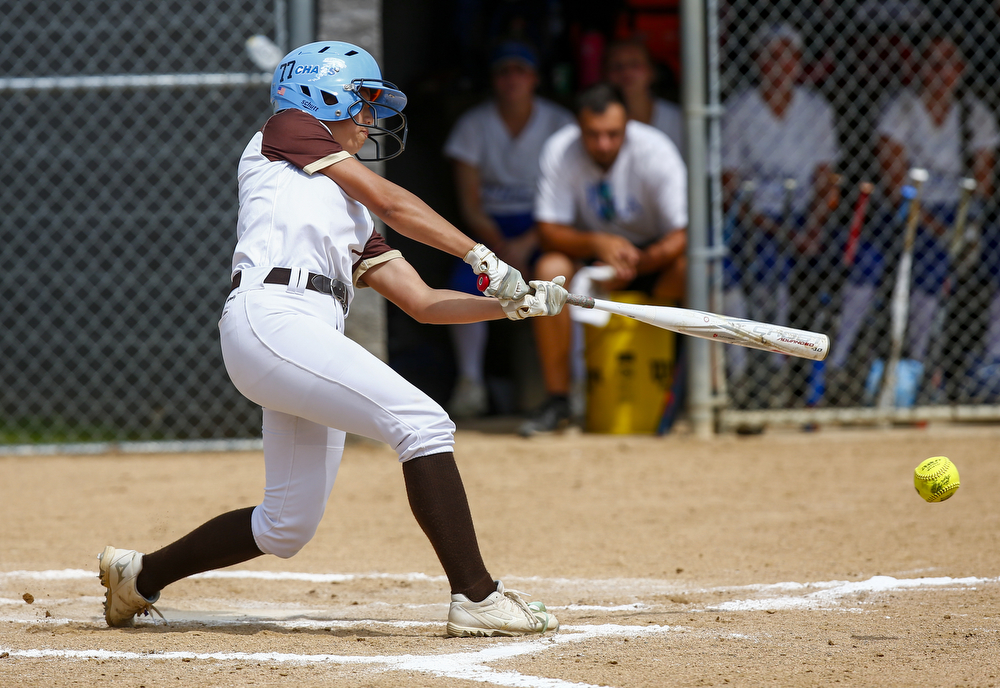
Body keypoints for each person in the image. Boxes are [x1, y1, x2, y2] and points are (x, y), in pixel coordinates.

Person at [97, 41, 567, 638]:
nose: (370, 119)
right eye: (363, 102)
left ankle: (138, 576)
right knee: (422, 422)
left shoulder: (345, 206)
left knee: (285, 526)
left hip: (306, 333)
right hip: (272, 316)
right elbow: (393, 201)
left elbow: (421, 303)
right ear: (322, 95)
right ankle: (477, 596)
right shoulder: (288, 128)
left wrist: (510, 305)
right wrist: (481, 255)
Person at [830, 32, 998, 399]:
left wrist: (964, 230)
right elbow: (896, 186)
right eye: (932, 63)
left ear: (962, 70)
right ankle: (912, 368)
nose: (941, 73)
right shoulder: (902, 109)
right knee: (930, 261)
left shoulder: (974, 116)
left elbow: (982, 188)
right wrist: (941, 231)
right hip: (910, 215)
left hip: (960, 216)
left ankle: (991, 362)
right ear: (919, 68)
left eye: (949, 64)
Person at [520, 83, 687, 436]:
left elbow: (684, 233)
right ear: (579, 127)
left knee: (691, 271)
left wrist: (636, 264)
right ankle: (559, 400)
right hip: (590, 259)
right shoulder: (561, 148)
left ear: (628, 125)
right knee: (548, 271)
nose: (604, 145)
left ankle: (688, 393)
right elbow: (548, 229)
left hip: (650, 258)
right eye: (593, 135)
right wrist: (598, 243)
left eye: (613, 134)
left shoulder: (656, 150)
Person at [442, 41, 573, 418]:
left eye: (520, 71)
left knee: (564, 283)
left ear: (534, 78)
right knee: (461, 283)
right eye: (504, 71)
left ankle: (575, 384)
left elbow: (565, 199)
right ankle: (471, 383)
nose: (512, 79)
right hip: (491, 232)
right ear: (494, 80)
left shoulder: (559, 122)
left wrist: (528, 243)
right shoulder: (474, 125)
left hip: (544, 226)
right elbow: (470, 205)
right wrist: (502, 250)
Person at [720, 23, 840, 406]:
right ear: (758, 61)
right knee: (769, 266)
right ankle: (765, 376)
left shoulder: (816, 109)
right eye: (771, 55)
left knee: (861, 262)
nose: (780, 64)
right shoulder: (740, 110)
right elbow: (729, 189)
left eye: (789, 55)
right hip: (757, 219)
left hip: (806, 216)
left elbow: (827, 182)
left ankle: (830, 370)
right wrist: (785, 233)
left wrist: (814, 226)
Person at [603, 37, 684, 157]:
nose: (626, 72)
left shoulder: (678, 120)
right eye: (617, 66)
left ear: (652, 71)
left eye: (634, 64)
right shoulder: (600, 121)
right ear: (605, 75)